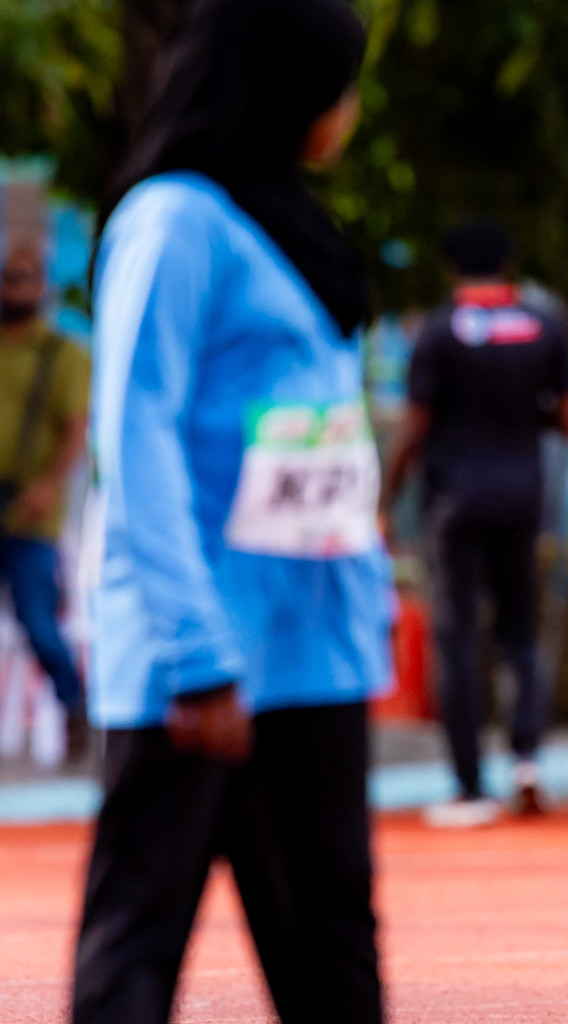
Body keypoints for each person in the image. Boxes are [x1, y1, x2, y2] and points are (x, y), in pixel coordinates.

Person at [73, 1, 390, 1021]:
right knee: (136, 951)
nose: (346, 108)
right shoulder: (173, 223)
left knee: (334, 956)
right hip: (197, 667)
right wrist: (196, 651)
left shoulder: (296, 226)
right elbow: (135, 437)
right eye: (336, 83)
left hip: (315, 659)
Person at [381, 220, 568, 826]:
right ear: (509, 264)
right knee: (520, 632)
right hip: (522, 500)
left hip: (453, 505)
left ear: (451, 269)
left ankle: (469, 785)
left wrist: (386, 498)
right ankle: (527, 760)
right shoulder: (544, 326)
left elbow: (415, 425)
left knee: (458, 638)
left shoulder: (439, 331)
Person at [0, 243, 91, 757]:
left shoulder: (62, 355)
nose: (14, 288)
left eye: (24, 277)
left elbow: (76, 430)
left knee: (39, 621)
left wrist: (49, 485)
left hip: (31, 513)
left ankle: (74, 706)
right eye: (8, 277)